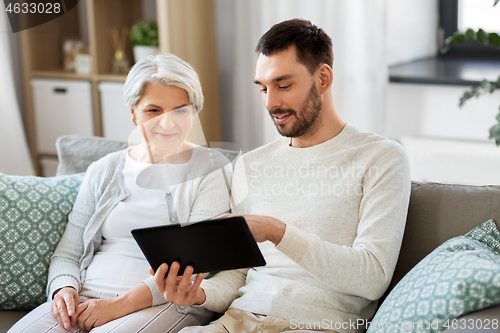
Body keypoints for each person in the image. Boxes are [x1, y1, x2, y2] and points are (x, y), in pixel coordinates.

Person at [151, 19, 412, 333]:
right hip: (236, 321)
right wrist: (200, 294)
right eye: (263, 87)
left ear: (324, 78)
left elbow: (371, 278)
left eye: (283, 85)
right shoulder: (252, 164)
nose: (270, 102)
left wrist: (275, 230)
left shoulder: (380, 158)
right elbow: (240, 276)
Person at [9, 53, 232, 333]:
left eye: (181, 110)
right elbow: (68, 252)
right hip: (86, 296)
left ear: (194, 112)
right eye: (153, 110)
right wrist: (63, 290)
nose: (168, 123)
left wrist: (118, 306)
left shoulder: (212, 168)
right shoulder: (103, 169)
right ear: (133, 112)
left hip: (164, 303)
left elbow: (195, 263)